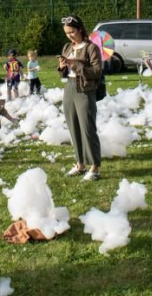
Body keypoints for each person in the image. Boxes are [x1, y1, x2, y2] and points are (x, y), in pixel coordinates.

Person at [57, 15, 102, 181]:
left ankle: (95, 168)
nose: (69, 35)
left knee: (87, 128)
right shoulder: (67, 46)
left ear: (80, 29)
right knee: (73, 127)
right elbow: (63, 73)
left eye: (72, 32)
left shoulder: (91, 48)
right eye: (66, 33)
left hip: (85, 89)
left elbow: (97, 71)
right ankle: (80, 164)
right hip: (69, 88)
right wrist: (62, 67)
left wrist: (76, 65)